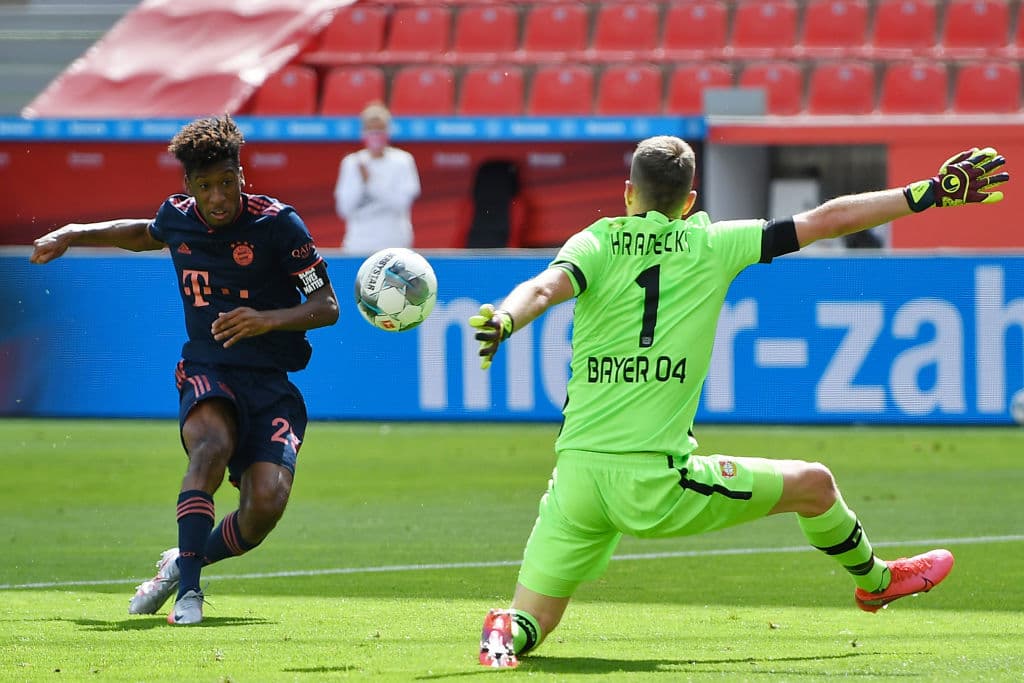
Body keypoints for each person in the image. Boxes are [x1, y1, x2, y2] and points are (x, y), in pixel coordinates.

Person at [469, 138, 1009, 667]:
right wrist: (929, 191)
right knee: (815, 485)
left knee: (532, 620)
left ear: (629, 192)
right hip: (654, 484)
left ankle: (504, 632)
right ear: (689, 201)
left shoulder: (595, 243)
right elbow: (827, 219)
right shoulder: (715, 243)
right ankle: (876, 582)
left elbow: (543, 287)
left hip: (576, 482)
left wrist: (505, 319)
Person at [29, 114, 340, 625]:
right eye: (205, 186)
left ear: (242, 176)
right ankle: (188, 596)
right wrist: (74, 232)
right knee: (210, 447)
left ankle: (181, 563)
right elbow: (142, 234)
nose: (218, 197)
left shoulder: (279, 224)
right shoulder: (177, 217)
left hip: (269, 382)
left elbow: (326, 306)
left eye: (227, 182)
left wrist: (265, 320)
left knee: (264, 507)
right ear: (189, 186)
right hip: (208, 367)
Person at [334, 101, 421, 254]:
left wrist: (371, 182)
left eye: (380, 130)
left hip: (395, 246)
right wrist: (361, 183)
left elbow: (401, 203)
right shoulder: (352, 163)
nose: (375, 135)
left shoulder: (403, 160)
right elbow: (344, 209)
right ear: (363, 132)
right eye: (371, 130)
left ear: (388, 131)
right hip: (358, 245)